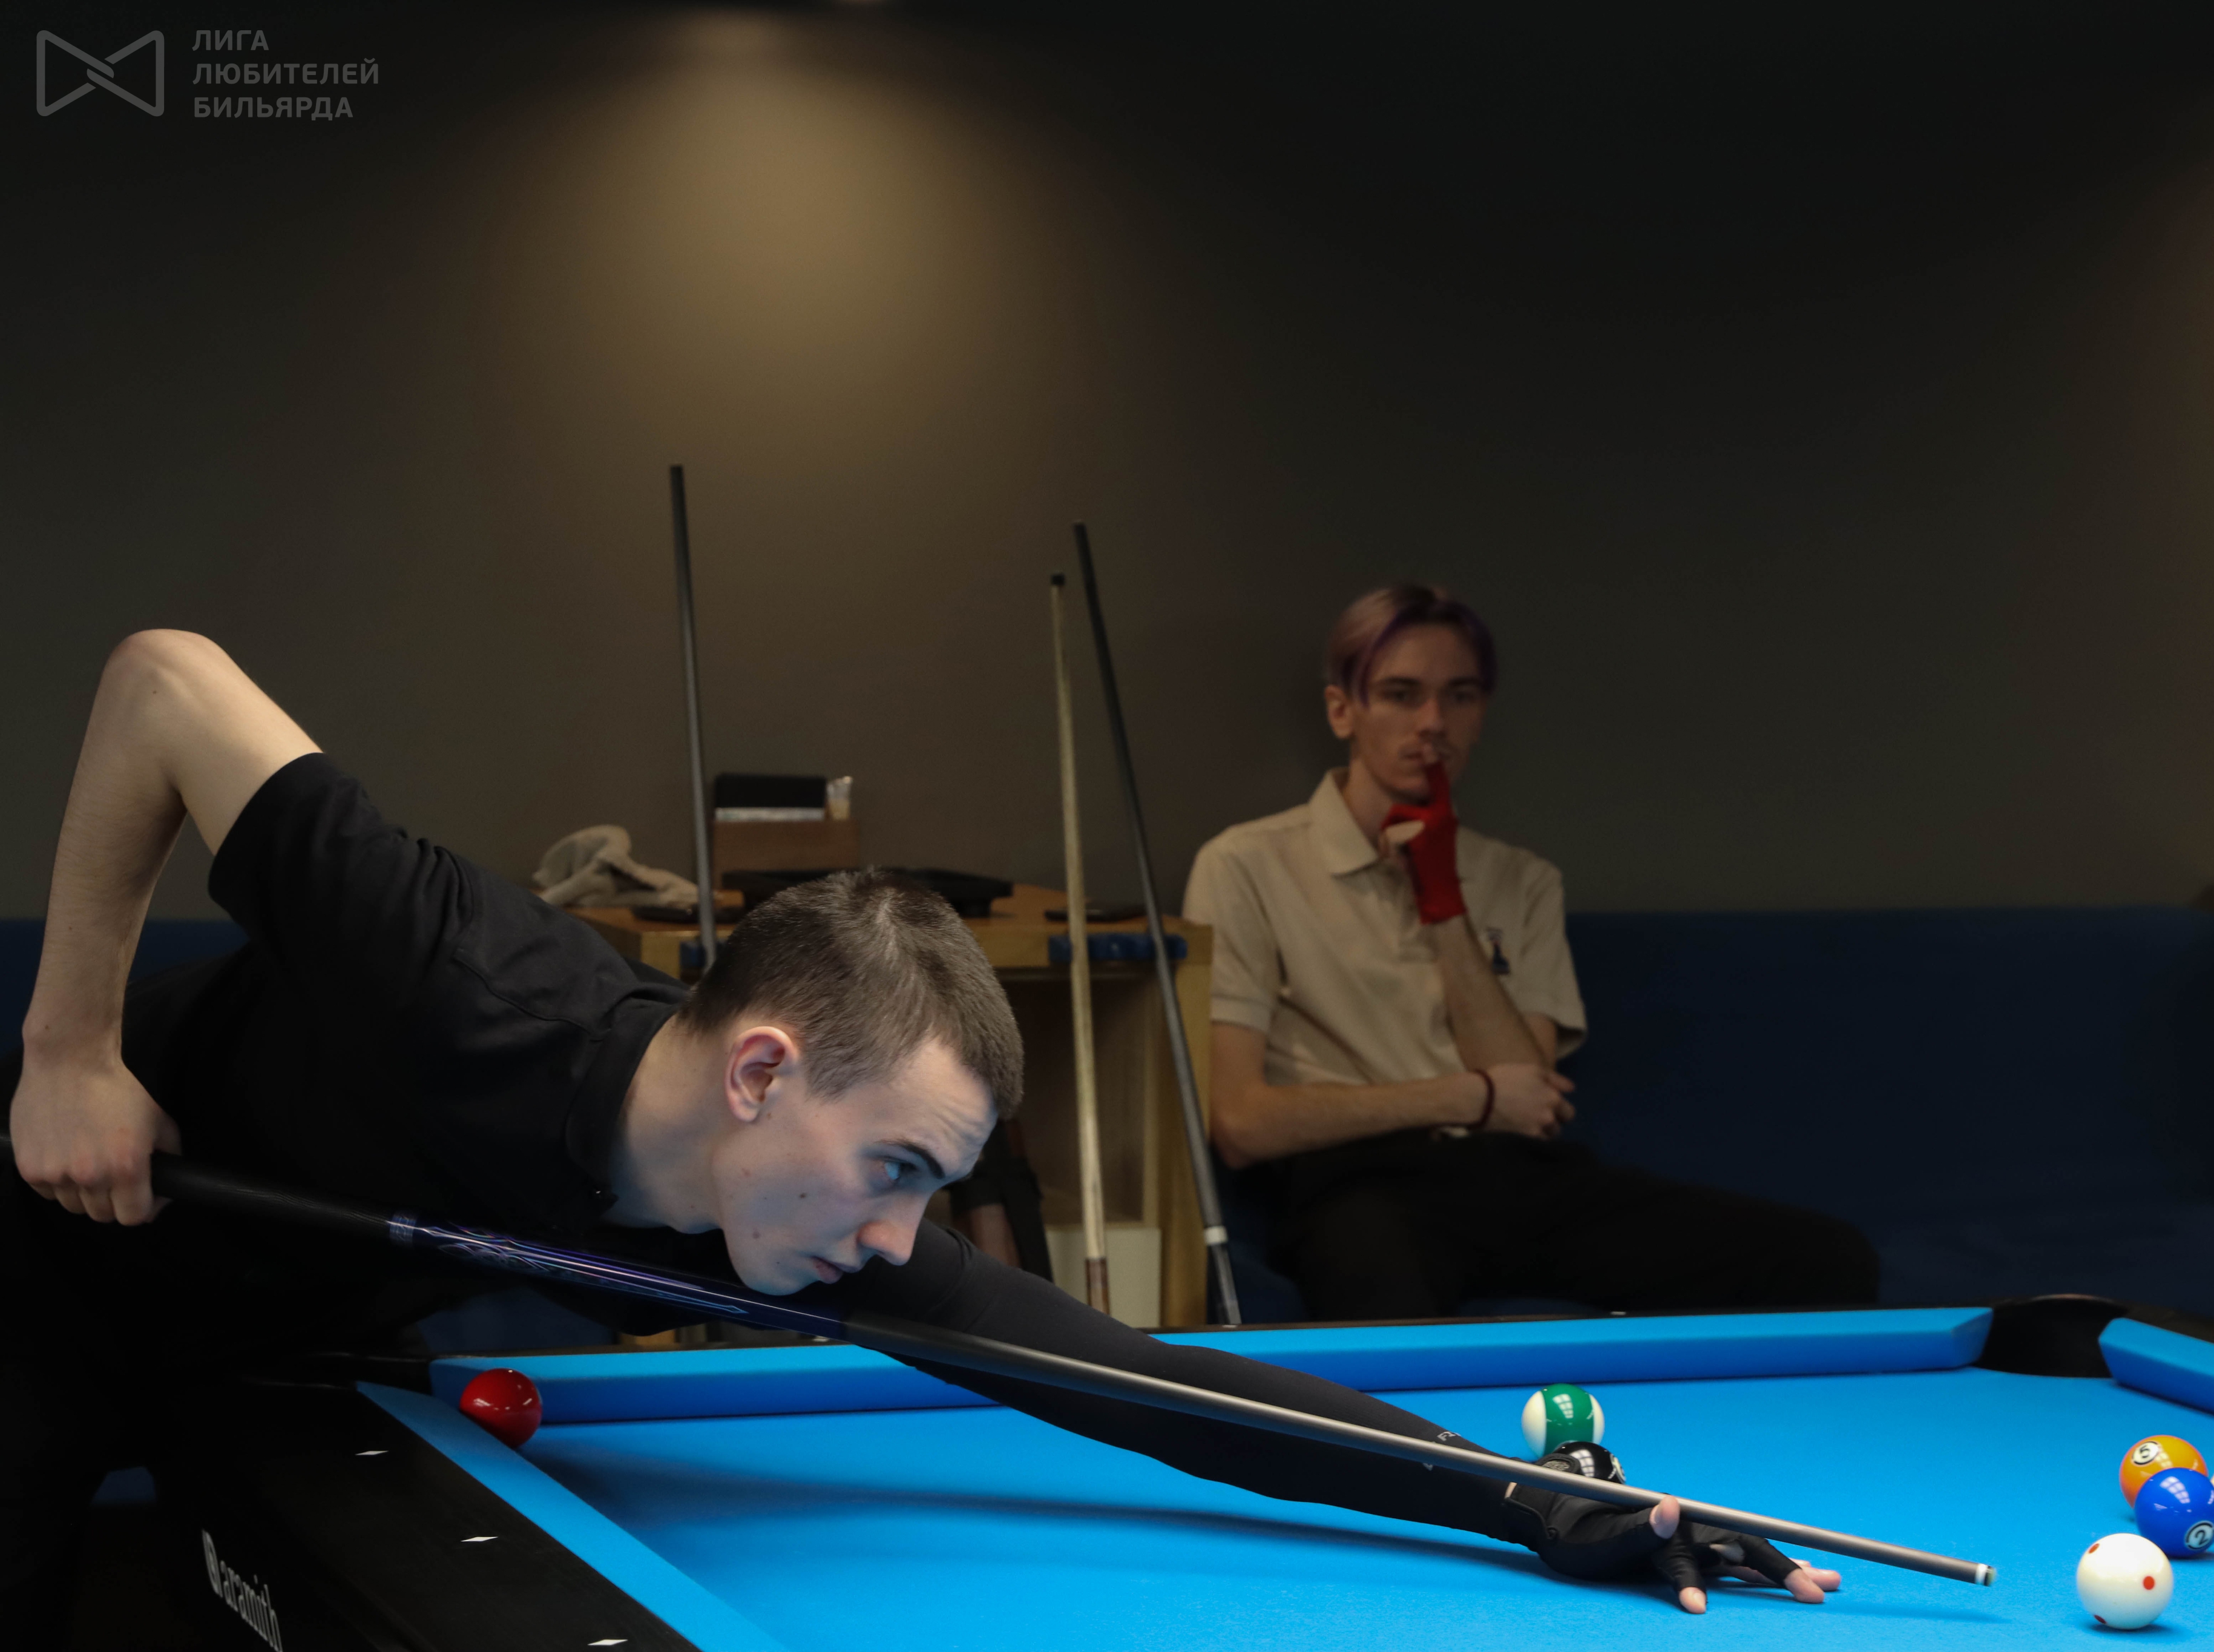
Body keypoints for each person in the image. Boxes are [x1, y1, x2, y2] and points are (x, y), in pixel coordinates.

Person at [5, 631, 1839, 1645]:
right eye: (897, 1169)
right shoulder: (451, 966)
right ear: (760, 1074)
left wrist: (1532, 1497)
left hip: (310, 1316)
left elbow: (1145, 1384)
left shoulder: (799, 1213)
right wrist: (71, 1045)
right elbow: (165, 684)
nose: (903, 1238)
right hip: (61, 1253)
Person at [1183, 583, 1879, 1321]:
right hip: (1358, 1184)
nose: (1432, 723)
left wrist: (1443, 903)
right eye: (1400, 694)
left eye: (1459, 696)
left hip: (1519, 1173)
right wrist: (1469, 1096)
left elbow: (1531, 1102)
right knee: (1379, 1283)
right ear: (1341, 711)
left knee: (1824, 1257)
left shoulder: (1520, 878)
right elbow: (1242, 1124)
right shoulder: (1245, 864)